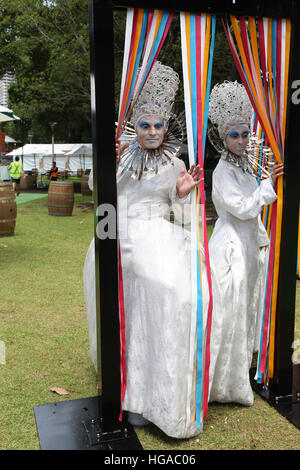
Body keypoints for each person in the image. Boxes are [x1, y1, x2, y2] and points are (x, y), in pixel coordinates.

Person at [83, 62, 222, 438]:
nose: (153, 132)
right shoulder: (121, 158)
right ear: (134, 126)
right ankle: (135, 393)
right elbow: (102, 198)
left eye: (159, 125)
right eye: (145, 125)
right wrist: (105, 163)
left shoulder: (175, 162)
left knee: (188, 296)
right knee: (149, 299)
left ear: (166, 127)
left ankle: (169, 387)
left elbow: (178, 214)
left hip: (162, 237)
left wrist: (180, 194)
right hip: (125, 238)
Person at [207, 81, 284, 406]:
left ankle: (246, 365)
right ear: (223, 139)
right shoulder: (223, 171)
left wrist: (263, 239)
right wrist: (268, 185)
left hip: (251, 244)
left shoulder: (245, 166)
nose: (241, 140)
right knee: (231, 309)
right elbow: (240, 207)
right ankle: (226, 380)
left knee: (249, 306)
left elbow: (252, 213)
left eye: (244, 134)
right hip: (231, 248)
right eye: (234, 135)